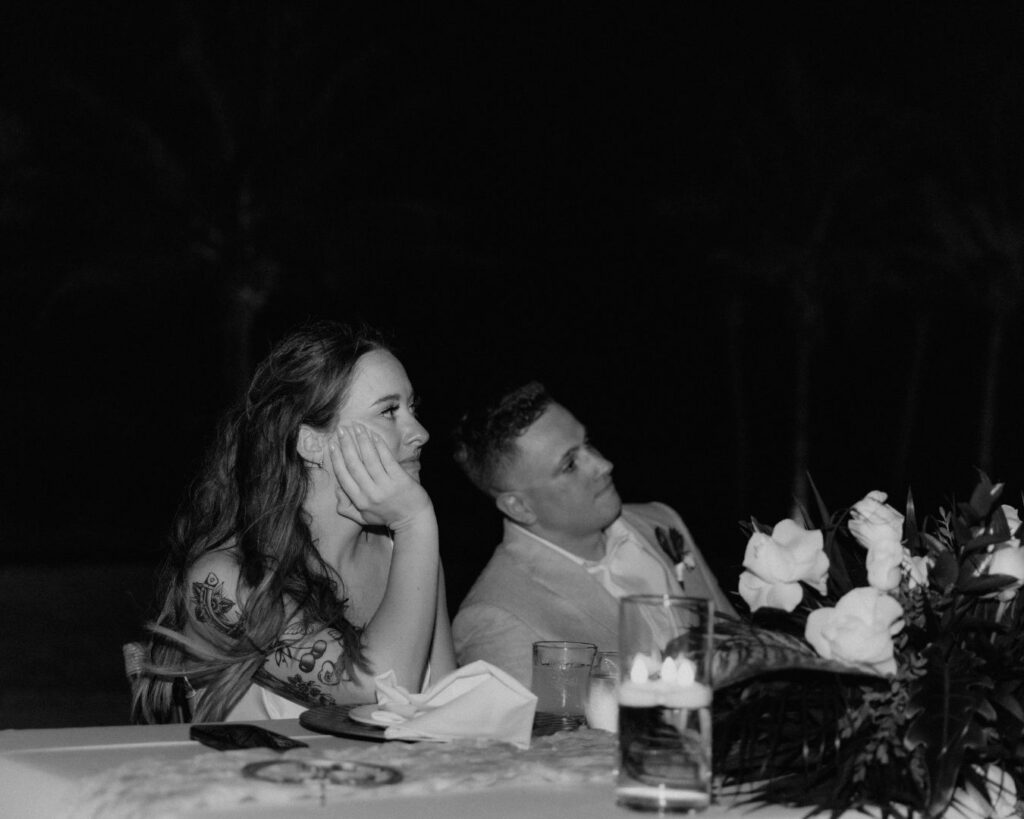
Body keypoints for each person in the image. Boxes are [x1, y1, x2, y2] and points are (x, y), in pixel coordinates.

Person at [134, 320, 455, 723]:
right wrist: (416, 523)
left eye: (412, 408)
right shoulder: (225, 577)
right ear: (312, 442)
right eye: (389, 411)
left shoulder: (403, 552)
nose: (420, 432)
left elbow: (445, 714)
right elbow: (378, 690)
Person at [450, 381, 735, 686]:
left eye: (589, 443)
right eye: (570, 464)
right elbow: (543, 734)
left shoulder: (660, 521)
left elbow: (739, 643)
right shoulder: (495, 617)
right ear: (519, 507)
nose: (604, 465)